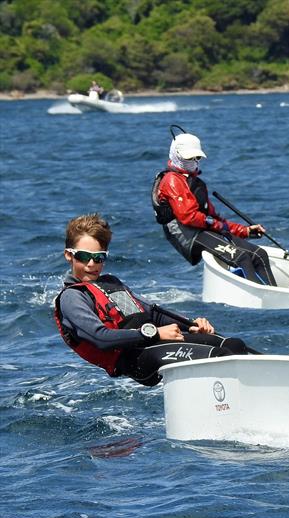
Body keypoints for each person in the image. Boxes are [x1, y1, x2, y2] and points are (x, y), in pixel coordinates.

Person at [54, 214, 255, 387]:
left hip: (151, 342)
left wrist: (192, 325)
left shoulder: (111, 284)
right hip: (133, 358)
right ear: (68, 256)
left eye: (98, 258)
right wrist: (154, 334)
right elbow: (100, 337)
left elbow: (152, 313)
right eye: (83, 256)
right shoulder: (72, 297)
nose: (91, 264)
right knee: (220, 358)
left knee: (234, 345)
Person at [151, 130, 277, 285]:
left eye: (197, 157)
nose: (195, 161)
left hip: (203, 231)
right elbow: (188, 217)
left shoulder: (195, 183)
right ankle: (260, 297)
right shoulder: (172, 180)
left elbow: (215, 219)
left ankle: (277, 294)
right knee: (241, 257)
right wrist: (215, 224)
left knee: (259, 254)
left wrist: (245, 230)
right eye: (189, 157)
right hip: (189, 236)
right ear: (176, 155)